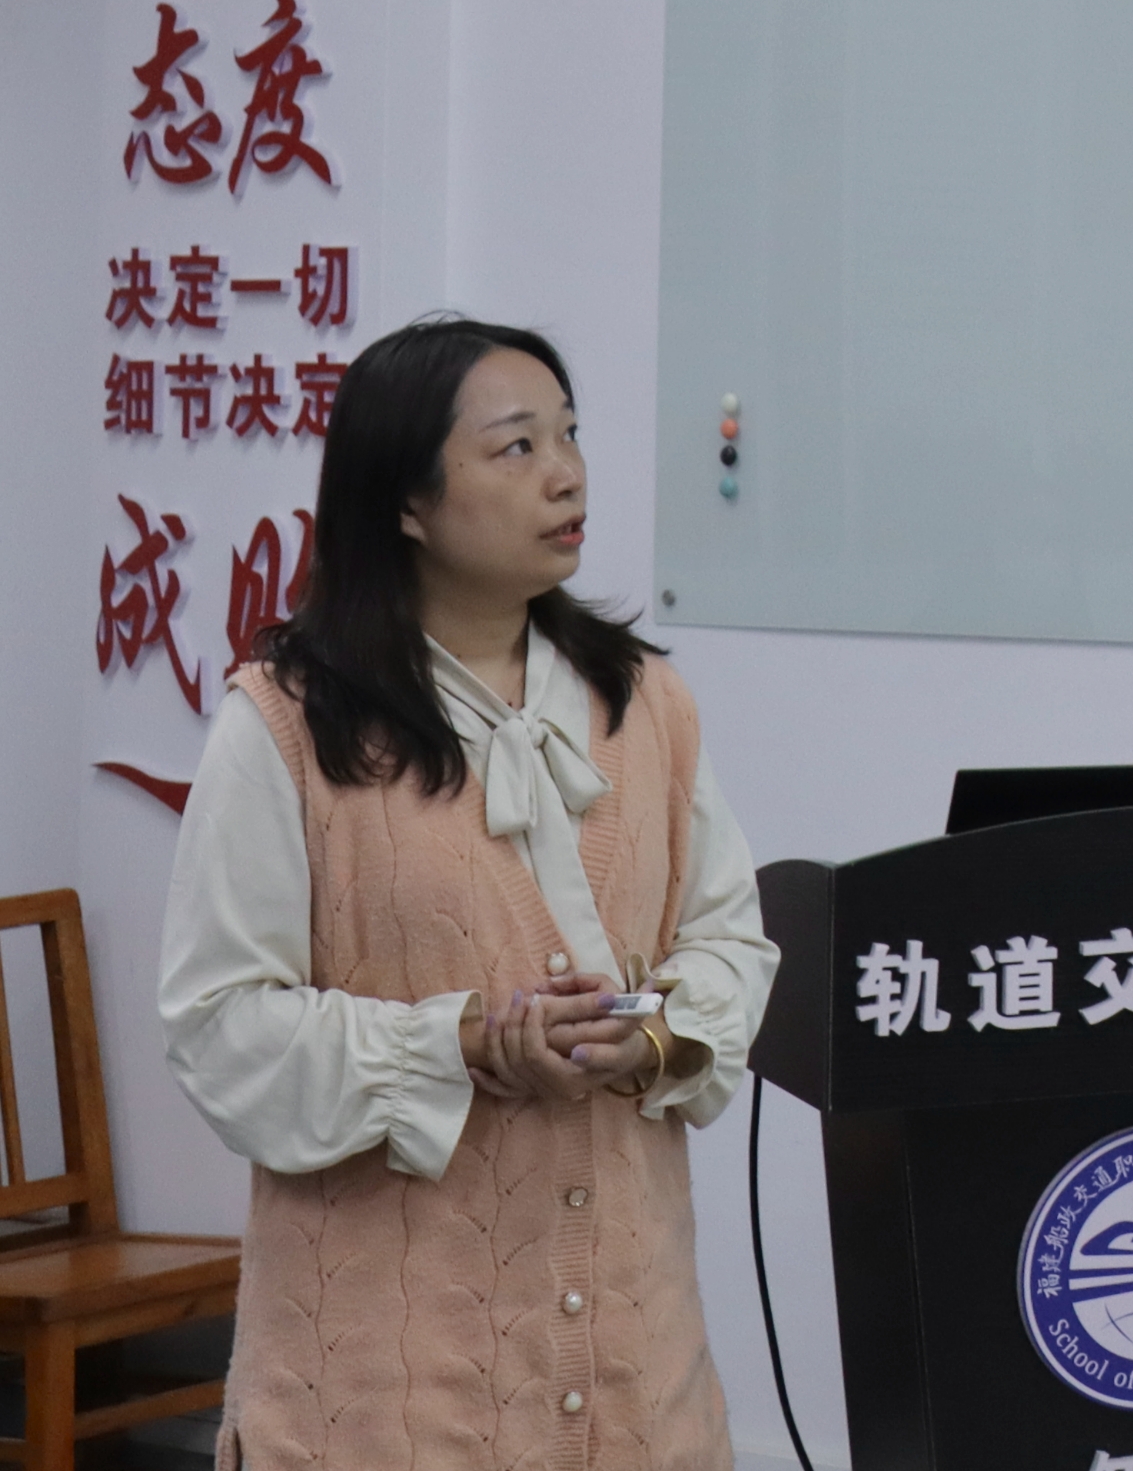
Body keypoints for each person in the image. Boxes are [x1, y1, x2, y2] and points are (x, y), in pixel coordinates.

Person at [160, 316, 779, 1471]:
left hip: (636, 1382)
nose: (567, 474)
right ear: (407, 500)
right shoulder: (287, 724)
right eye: (516, 446)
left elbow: (729, 942)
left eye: (569, 435)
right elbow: (219, 1026)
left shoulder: (644, 701)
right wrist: (458, 1044)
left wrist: (650, 1035)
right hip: (379, 1403)